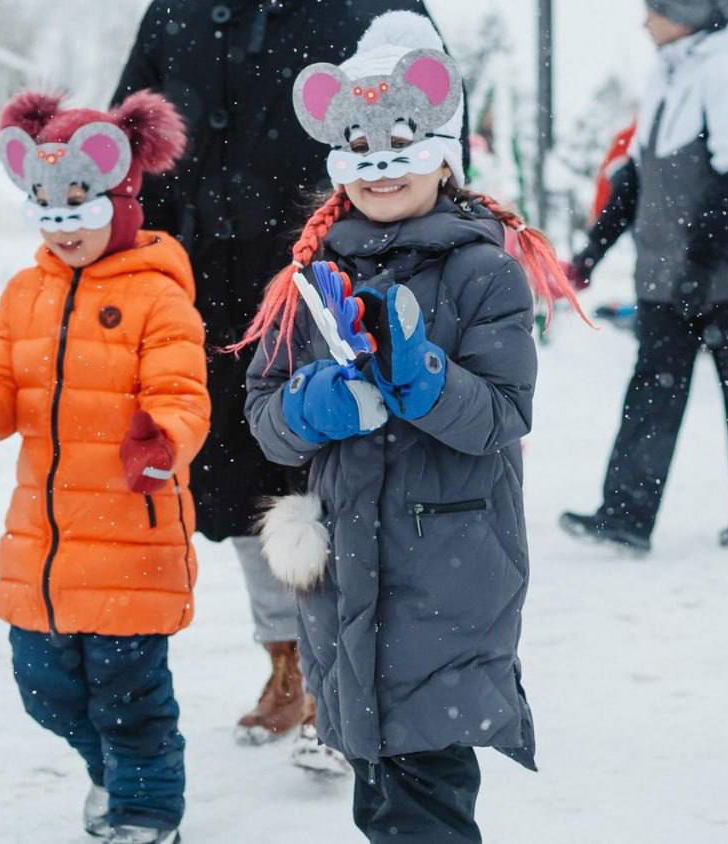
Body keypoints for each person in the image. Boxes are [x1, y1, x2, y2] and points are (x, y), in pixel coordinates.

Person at [239, 12, 582, 841]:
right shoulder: (310, 278)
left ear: (442, 146)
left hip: (452, 582)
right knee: (381, 794)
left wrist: (422, 380)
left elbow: (501, 415)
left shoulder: (484, 272)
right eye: (359, 149)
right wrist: (311, 405)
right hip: (345, 584)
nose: (382, 167)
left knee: (426, 796)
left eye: (402, 142)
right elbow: (263, 417)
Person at [113, 0, 456, 760]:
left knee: (344, 477)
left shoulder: (370, 6)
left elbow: (432, 124)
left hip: (338, 281)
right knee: (235, 487)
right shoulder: (177, 14)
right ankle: (290, 663)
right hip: (204, 293)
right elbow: (127, 152)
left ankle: (354, 684)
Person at [0, 89, 205, 843]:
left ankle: (147, 813)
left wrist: (163, 438)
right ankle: (109, 773)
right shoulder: (25, 293)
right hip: (45, 543)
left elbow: (183, 394)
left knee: (130, 698)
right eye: (47, 204)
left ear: (120, 199)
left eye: (78, 203)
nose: (63, 224)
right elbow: (2, 384)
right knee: (44, 689)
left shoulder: (158, 297)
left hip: (131, 532)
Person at [560, 0, 728, 554]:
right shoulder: (665, 74)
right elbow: (632, 178)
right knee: (651, 393)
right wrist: (589, 256)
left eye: (653, 10)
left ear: (684, 12)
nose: (644, 21)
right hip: (665, 276)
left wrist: (700, 265)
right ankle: (626, 515)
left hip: (726, 277)